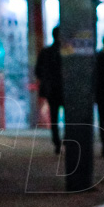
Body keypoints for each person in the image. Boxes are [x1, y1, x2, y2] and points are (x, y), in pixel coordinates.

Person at [35, 26, 64, 155]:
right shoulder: (67, 52)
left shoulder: (46, 52)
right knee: (69, 116)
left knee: (54, 117)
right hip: (65, 89)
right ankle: (66, 139)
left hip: (52, 89)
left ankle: (56, 142)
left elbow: (38, 71)